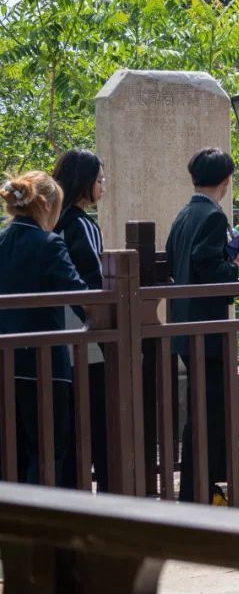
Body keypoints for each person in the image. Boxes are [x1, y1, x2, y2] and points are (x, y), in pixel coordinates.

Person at [166, 148, 239, 504]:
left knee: (200, 410)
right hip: (207, 328)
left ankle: (199, 488)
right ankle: (198, 490)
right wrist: (235, 263)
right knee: (207, 412)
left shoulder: (184, 213)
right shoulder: (214, 216)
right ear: (226, 180)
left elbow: (176, 259)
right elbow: (209, 267)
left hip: (184, 325)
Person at [0, 171, 86, 486]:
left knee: (10, 453)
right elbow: (77, 294)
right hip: (43, 364)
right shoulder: (49, 243)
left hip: (4, 360)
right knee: (47, 451)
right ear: (47, 205)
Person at [52, 149, 109, 491]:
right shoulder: (82, 225)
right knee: (98, 424)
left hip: (51, 338)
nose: (103, 186)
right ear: (84, 183)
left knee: (64, 429)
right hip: (85, 343)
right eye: (100, 180)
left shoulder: (49, 221)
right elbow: (94, 282)